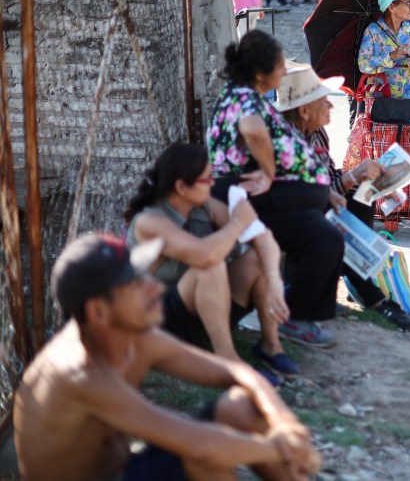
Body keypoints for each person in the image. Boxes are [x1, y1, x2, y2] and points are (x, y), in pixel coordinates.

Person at [13, 232, 320, 481]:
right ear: (98, 312)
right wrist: (280, 447)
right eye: (135, 284)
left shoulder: (134, 337)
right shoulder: (80, 372)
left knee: (240, 408)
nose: (156, 287)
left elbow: (235, 373)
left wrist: (285, 425)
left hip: (123, 468)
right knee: (204, 459)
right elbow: (199, 446)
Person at [207, 29, 344, 348]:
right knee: (324, 239)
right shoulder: (244, 98)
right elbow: (253, 131)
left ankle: (296, 309)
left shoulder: (241, 95)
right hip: (242, 191)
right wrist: (269, 173)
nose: (284, 72)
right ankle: (295, 318)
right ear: (259, 72)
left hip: (258, 192)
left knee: (324, 236)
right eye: (280, 66)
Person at [124, 143, 298, 380]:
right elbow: (205, 255)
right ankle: (228, 362)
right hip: (158, 320)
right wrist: (237, 223)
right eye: (207, 179)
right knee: (210, 265)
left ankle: (270, 345)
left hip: (201, 308)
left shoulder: (203, 207)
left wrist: (274, 279)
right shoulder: (149, 221)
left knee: (257, 258)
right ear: (182, 187)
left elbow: (263, 236)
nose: (214, 183)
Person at [277, 65, 410, 329]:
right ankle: (372, 294)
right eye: (324, 102)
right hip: (297, 215)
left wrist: (368, 177)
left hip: (317, 204)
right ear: (304, 110)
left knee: (360, 193)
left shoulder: (316, 132)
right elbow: (308, 196)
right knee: (353, 193)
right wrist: (353, 177)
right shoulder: (289, 142)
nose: (330, 107)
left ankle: (365, 281)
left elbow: (327, 177)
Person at [358, 0, 410, 101]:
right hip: (383, 101)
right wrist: (391, 56)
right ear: (391, 7)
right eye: (408, 3)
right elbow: (363, 65)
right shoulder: (372, 31)